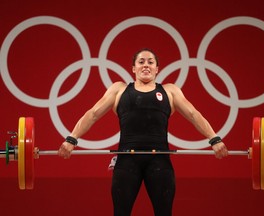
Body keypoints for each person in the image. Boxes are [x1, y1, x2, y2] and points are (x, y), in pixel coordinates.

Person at [58, 48, 228, 216]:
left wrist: (214, 138)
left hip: (159, 161)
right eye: (141, 62)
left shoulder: (170, 91)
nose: (146, 65)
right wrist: (72, 138)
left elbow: (193, 114)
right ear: (133, 68)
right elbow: (93, 114)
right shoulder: (119, 90)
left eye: (150, 62)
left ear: (157, 69)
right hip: (126, 161)